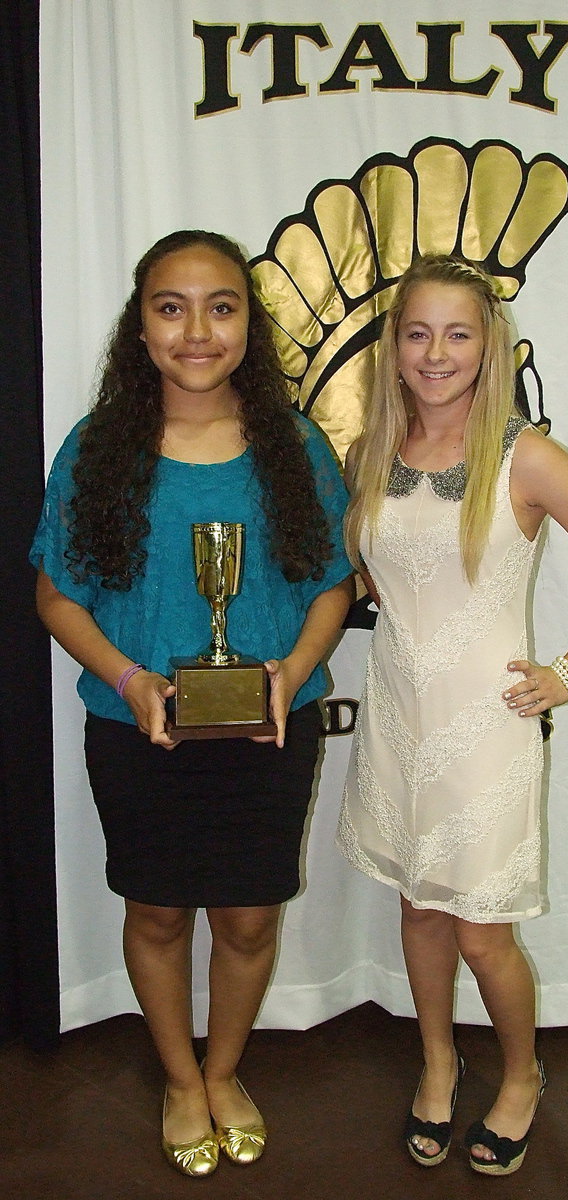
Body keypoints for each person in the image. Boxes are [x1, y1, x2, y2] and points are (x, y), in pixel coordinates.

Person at [31, 230, 354, 1178]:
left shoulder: (294, 447)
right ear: (140, 327)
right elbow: (57, 595)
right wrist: (131, 682)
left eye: (221, 306)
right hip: (139, 730)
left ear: (249, 325)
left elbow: (332, 584)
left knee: (249, 919)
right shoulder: (97, 449)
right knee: (160, 913)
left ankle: (224, 1070)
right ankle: (179, 1079)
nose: (197, 330)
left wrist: (290, 671)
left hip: (270, 725)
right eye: (171, 307)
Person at [338, 254, 568, 1177]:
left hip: (486, 725)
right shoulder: (370, 455)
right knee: (417, 907)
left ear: (489, 347)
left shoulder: (529, 455)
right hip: (399, 715)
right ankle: (437, 1062)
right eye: (417, 331)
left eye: (457, 332)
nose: (436, 352)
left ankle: (521, 1075)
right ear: (394, 346)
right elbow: (381, 579)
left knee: (482, 929)